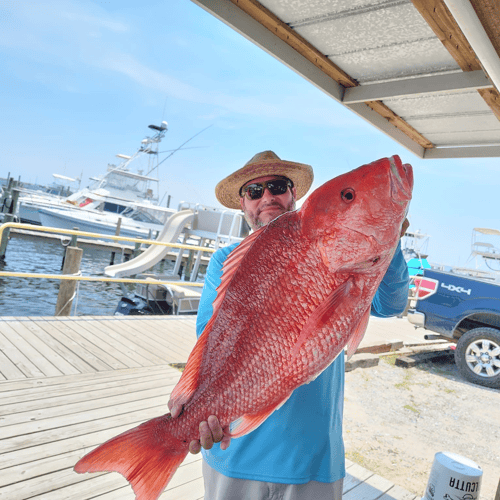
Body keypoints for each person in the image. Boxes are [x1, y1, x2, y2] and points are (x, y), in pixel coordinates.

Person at [169, 151, 410, 499]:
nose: (267, 197)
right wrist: (193, 406)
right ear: (243, 205)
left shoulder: (341, 252)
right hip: (235, 453)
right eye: (255, 191)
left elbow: (391, 304)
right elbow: (208, 344)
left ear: (294, 194)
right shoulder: (224, 261)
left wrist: (389, 239)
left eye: (277, 186)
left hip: (314, 459)